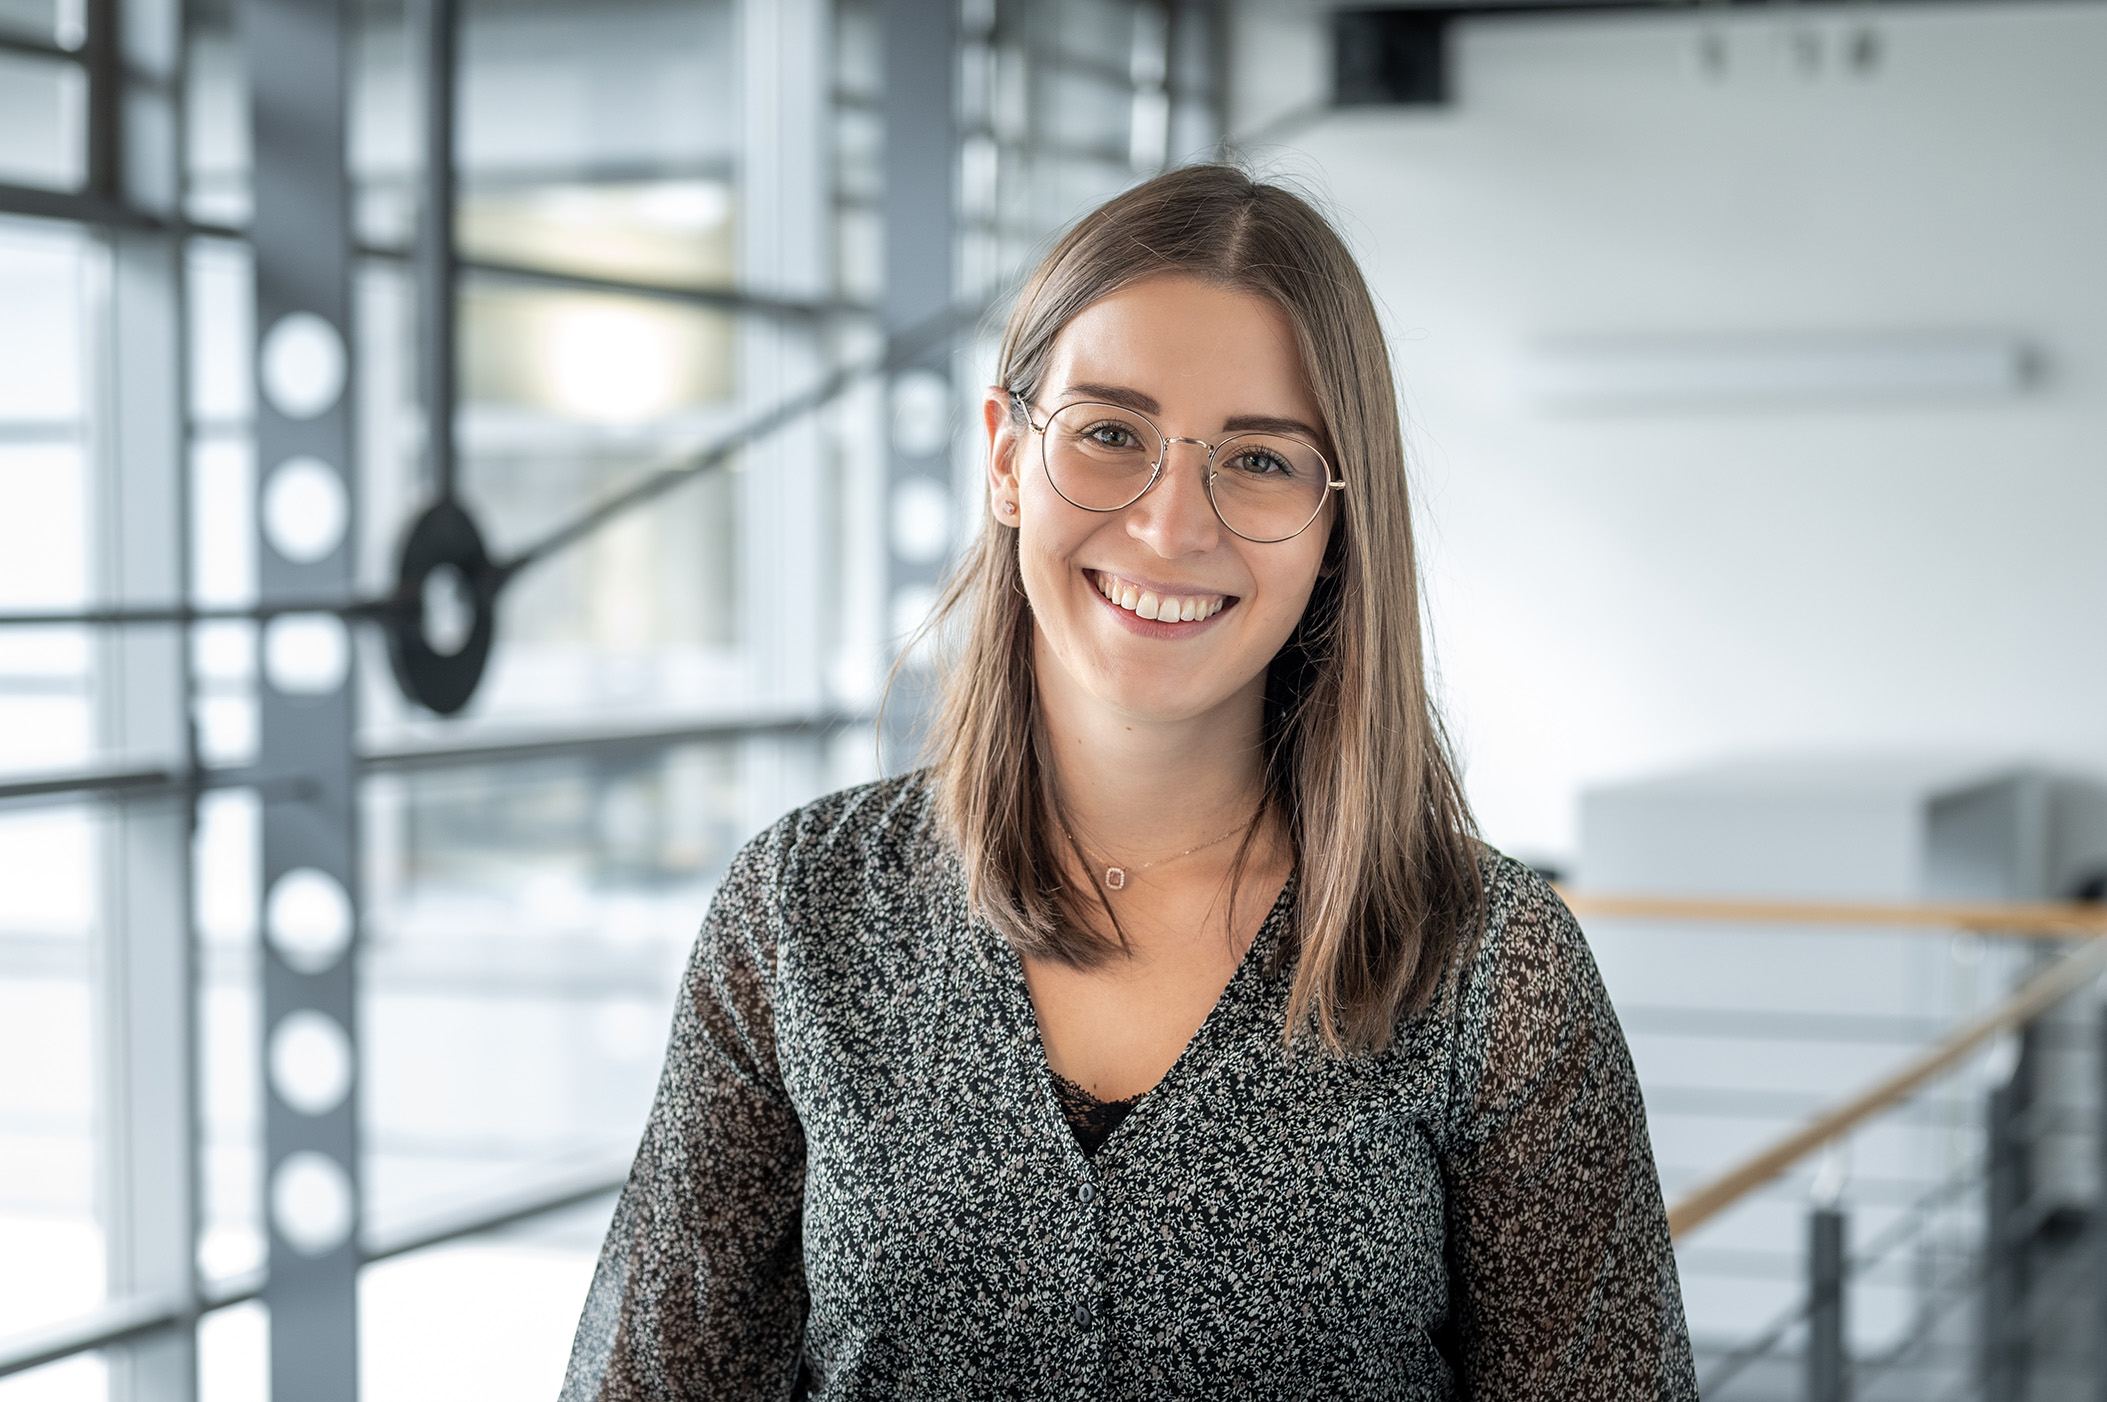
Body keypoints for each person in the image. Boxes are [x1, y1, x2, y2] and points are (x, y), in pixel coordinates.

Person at [560, 164, 1696, 1400]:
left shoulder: (1490, 964)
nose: (1171, 527)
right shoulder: (800, 912)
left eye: (1258, 460)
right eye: (1110, 434)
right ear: (1004, 455)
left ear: (1335, 527)